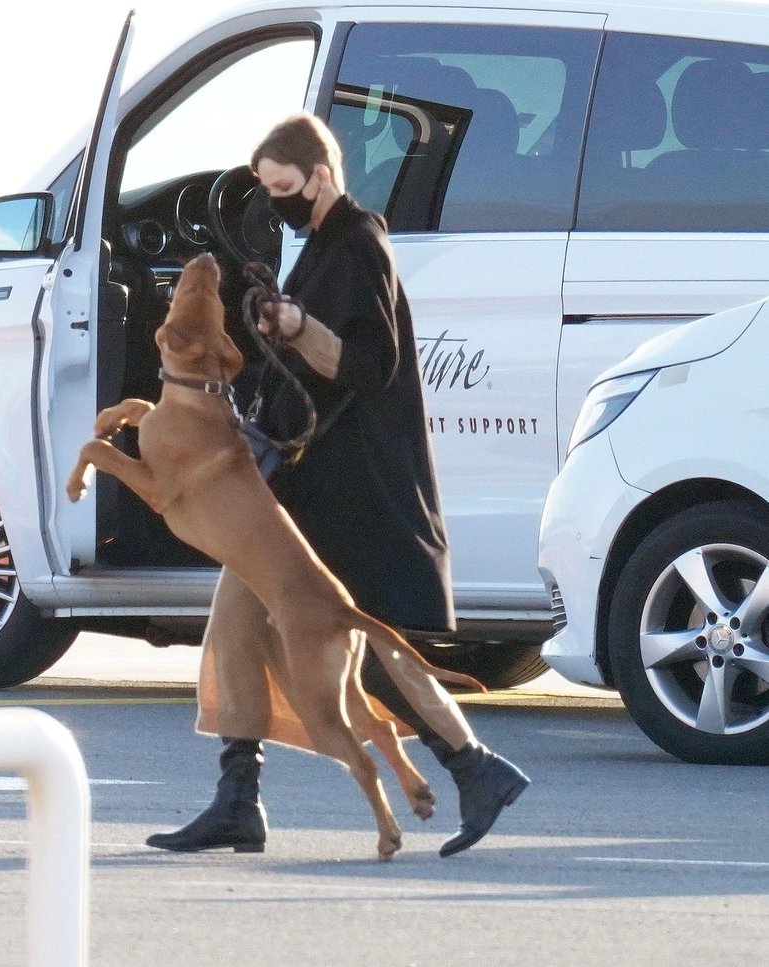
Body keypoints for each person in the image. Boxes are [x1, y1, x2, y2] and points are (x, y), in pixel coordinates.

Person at [146, 113, 529, 858]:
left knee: (375, 646)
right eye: (266, 189)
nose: (275, 201)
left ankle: (476, 766)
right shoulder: (319, 246)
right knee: (236, 623)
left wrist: (296, 325)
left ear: (321, 176)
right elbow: (301, 366)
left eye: (284, 187)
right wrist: (270, 329)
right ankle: (238, 796)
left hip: (352, 488)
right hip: (302, 485)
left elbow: (370, 364)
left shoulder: (360, 242)